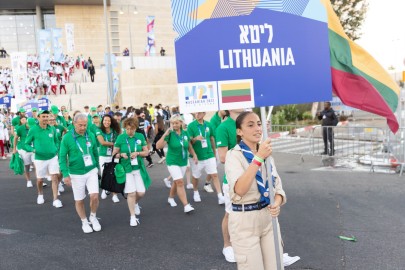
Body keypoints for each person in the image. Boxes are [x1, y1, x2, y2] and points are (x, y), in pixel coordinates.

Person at [225, 111, 286, 269]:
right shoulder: (234, 156)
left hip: (268, 218)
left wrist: (276, 203)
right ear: (239, 131)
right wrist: (258, 158)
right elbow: (240, 189)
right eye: (250, 125)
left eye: (259, 124)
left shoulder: (267, 155)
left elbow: (277, 189)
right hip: (244, 220)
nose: (257, 128)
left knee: (275, 266)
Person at [59, 113, 101, 233]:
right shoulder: (67, 137)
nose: (83, 128)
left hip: (91, 170)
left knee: (94, 196)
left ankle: (93, 217)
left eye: (85, 125)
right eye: (80, 125)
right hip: (76, 173)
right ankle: (84, 221)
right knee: (79, 200)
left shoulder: (91, 135)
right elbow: (62, 157)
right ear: (74, 123)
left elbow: (95, 152)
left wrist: (97, 166)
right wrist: (65, 174)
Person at [112, 117, 151, 227]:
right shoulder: (120, 137)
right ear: (125, 128)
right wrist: (121, 155)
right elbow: (114, 154)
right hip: (126, 169)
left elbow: (146, 152)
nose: (130, 131)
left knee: (141, 192)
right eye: (128, 129)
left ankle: (135, 203)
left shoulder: (139, 136)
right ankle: (132, 217)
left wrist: (138, 153)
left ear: (135, 128)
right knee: (131, 193)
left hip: (138, 168)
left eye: (132, 129)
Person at [216, 109, 243, 263]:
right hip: (233, 179)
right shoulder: (223, 127)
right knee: (231, 214)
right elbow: (223, 157)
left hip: (254, 176)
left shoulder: (249, 121)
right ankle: (227, 246)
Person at [156, 114, 197, 213]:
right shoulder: (170, 134)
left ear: (181, 123)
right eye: (172, 123)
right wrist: (165, 133)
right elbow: (158, 146)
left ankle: (170, 198)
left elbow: (189, 146)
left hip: (182, 161)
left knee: (176, 181)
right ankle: (186, 205)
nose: (174, 125)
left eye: (176, 123)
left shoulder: (185, 133)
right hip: (172, 161)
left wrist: (194, 155)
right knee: (180, 182)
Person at [25, 110, 63, 207]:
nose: (46, 118)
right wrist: (32, 150)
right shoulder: (33, 129)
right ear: (38, 117)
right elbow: (26, 143)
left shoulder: (52, 129)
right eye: (44, 116)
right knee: (40, 180)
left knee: (54, 177)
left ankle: (56, 199)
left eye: (47, 116)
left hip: (52, 157)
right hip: (40, 159)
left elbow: (56, 141)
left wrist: (56, 148)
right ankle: (40, 194)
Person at [187, 112, 224, 204]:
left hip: (209, 154)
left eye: (199, 113)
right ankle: (195, 192)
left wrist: (214, 153)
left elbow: (211, 138)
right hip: (197, 156)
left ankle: (220, 196)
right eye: (196, 113)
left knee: (214, 174)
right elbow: (188, 142)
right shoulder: (191, 126)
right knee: (196, 176)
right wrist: (195, 139)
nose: (197, 114)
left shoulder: (209, 124)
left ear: (204, 113)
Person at [97, 115, 121, 202]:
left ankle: (114, 195)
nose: (106, 122)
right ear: (102, 121)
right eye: (105, 120)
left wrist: (116, 146)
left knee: (114, 174)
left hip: (114, 154)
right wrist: (114, 144)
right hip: (103, 155)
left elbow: (119, 140)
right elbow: (102, 142)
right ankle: (105, 189)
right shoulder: (99, 130)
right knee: (105, 173)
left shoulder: (114, 131)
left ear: (111, 122)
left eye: (108, 121)